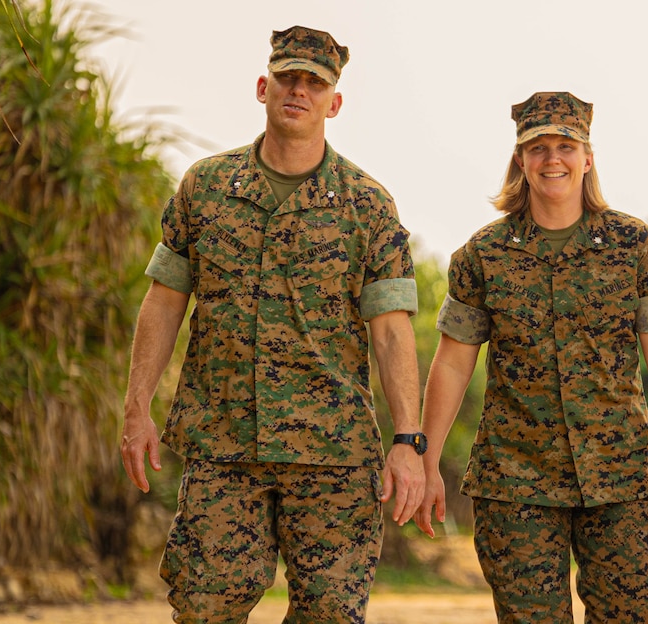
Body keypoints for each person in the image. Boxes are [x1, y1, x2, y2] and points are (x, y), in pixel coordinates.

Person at [120, 26, 426, 623]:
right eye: (288, 78)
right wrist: (137, 408)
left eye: (316, 84)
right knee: (205, 607)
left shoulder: (368, 205)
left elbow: (391, 332)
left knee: (332, 614)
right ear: (264, 87)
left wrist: (408, 441)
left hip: (332, 453)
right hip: (222, 443)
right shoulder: (204, 189)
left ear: (334, 104)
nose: (299, 91)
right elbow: (162, 303)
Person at [413, 91, 648, 623]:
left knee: (633, 614)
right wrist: (426, 460)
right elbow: (453, 363)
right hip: (515, 480)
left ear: (587, 157)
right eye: (538, 147)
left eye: (565, 145)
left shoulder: (633, 245)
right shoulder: (482, 255)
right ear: (520, 160)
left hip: (623, 478)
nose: (552, 159)